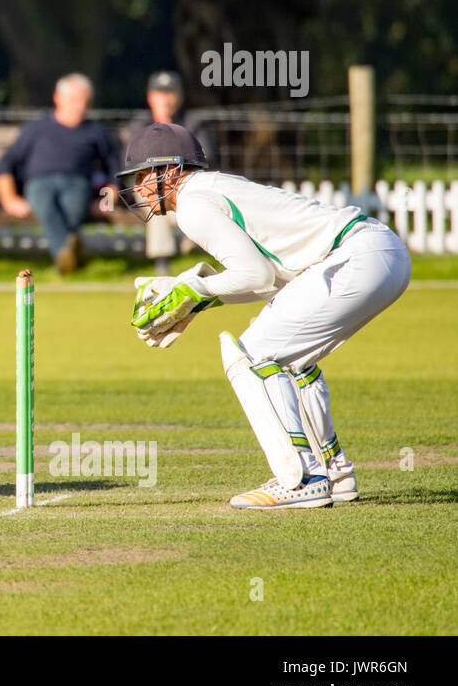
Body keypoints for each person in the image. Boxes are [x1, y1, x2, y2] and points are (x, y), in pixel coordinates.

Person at [118, 122, 411, 509]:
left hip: (352, 258)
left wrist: (192, 292)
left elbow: (254, 275)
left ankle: (302, 479)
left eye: (142, 175)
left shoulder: (192, 204)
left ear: (168, 170)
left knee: (252, 355)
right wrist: (196, 302)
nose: (137, 188)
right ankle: (335, 472)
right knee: (294, 357)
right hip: (378, 251)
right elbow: (271, 282)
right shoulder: (212, 189)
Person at [0, 73, 121, 273]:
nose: (79, 106)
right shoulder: (36, 128)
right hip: (39, 184)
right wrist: (9, 199)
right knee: (44, 203)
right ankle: (68, 254)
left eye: (84, 101)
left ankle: (65, 256)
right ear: (57, 98)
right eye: (74, 100)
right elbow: (5, 165)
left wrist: (108, 200)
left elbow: (115, 169)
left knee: (73, 209)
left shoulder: (96, 131)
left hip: (77, 183)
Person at [126, 71, 218, 274]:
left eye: (170, 93)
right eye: (160, 93)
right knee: (155, 199)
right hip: (149, 187)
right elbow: (131, 163)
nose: (165, 99)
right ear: (150, 97)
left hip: (186, 185)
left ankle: (183, 244)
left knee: (175, 198)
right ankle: (166, 260)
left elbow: (205, 157)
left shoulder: (194, 122)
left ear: (179, 96)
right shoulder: (140, 124)